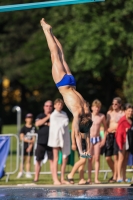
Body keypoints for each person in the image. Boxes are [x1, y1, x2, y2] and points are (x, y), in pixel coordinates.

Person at [40, 18, 92, 158]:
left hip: (72, 83)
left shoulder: (87, 111)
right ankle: (46, 31)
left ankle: (50, 32)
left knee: (61, 55)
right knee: (55, 55)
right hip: (63, 84)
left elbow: (87, 135)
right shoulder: (77, 114)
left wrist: (88, 151)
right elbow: (78, 134)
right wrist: (82, 152)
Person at [48, 98, 71, 185]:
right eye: (58, 104)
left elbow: (66, 124)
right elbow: (55, 127)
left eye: (61, 104)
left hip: (64, 137)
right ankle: (55, 179)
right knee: (56, 158)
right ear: (54, 106)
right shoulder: (53, 115)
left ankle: (62, 178)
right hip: (56, 138)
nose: (59, 106)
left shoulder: (64, 114)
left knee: (65, 158)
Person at [105, 97, 124, 183]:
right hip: (110, 136)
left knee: (116, 157)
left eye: (116, 104)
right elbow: (106, 125)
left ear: (120, 104)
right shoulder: (109, 113)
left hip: (117, 135)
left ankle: (115, 176)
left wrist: (114, 127)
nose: (114, 105)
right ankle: (114, 172)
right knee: (108, 157)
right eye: (113, 104)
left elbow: (121, 125)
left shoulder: (122, 113)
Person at [87, 99, 107, 184]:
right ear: (92, 108)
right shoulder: (88, 116)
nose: (97, 109)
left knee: (97, 158)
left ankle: (96, 178)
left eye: (98, 107)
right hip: (90, 138)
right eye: (95, 107)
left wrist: (104, 140)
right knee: (90, 159)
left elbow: (106, 129)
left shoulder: (102, 116)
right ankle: (89, 178)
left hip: (97, 138)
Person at [34, 100, 53, 182]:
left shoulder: (55, 116)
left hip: (52, 141)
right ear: (44, 107)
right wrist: (48, 118)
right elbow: (37, 124)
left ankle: (54, 178)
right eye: (47, 106)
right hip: (41, 141)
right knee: (38, 160)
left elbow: (55, 125)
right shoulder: (40, 115)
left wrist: (44, 123)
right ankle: (36, 178)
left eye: (50, 106)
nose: (48, 107)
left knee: (52, 160)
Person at [116, 103, 133, 182]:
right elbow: (119, 133)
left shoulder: (131, 121)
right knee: (121, 159)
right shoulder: (122, 120)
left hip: (128, 142)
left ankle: (124, 176)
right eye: (129, 111)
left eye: (131, 111)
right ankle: (118, 176)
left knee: (125, 159)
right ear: (125, 111)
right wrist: (120, 144)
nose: (130, 113)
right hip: (122, 142)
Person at [17, 113, 36, 179]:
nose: (29, 119)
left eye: (31, 118)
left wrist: (31, 145)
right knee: (22, 160)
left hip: (30, 146)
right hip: (23, 145)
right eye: (28, 118)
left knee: (29, 160)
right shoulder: (23, 128)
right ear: (25, 119)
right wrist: (29, 141)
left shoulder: (33, 128)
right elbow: (21, 137)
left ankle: (28, 172)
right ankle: (21, 172)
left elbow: (34, 137)